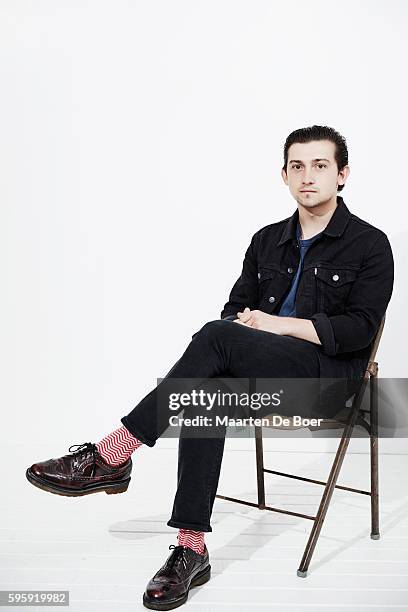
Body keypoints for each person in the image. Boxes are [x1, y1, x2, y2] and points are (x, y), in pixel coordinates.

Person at [25, 125, 394, 610]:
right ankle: (190, 549)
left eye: (321, 166)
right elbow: (234, 311)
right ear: (284, 175)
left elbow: (358, 332)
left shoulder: (370, 244)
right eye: (298, 166)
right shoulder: (266, 241)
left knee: (215, 340)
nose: (308, 177)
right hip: (262, 371)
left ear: (342, 174)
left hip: (329, 381)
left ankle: (113, 453)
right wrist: (246, 327)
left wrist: (274, 327)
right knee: (206, 393)